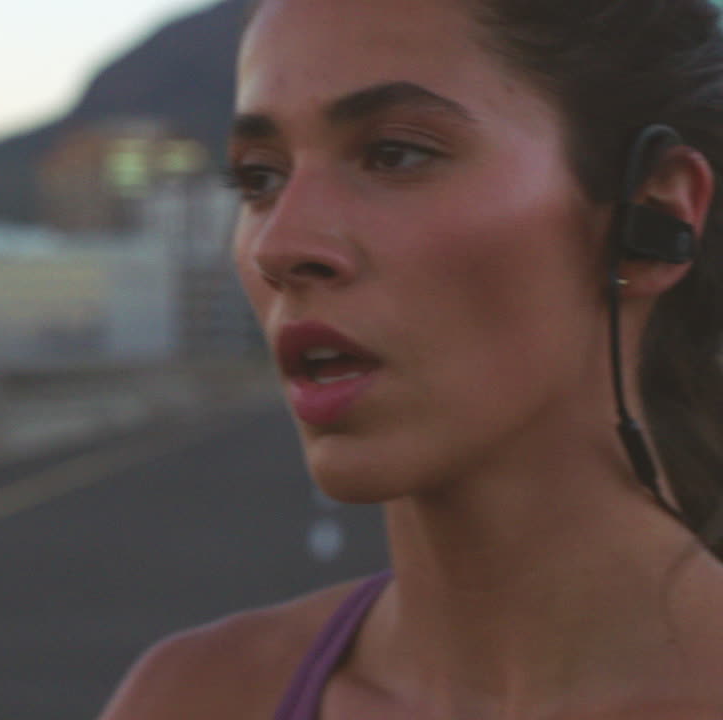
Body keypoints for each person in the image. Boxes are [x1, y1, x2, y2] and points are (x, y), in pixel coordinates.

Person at [98, 0, 723, 717]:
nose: (279, 245)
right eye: (260, 178)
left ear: (658, 215)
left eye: (395, 154)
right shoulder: (194, 700)